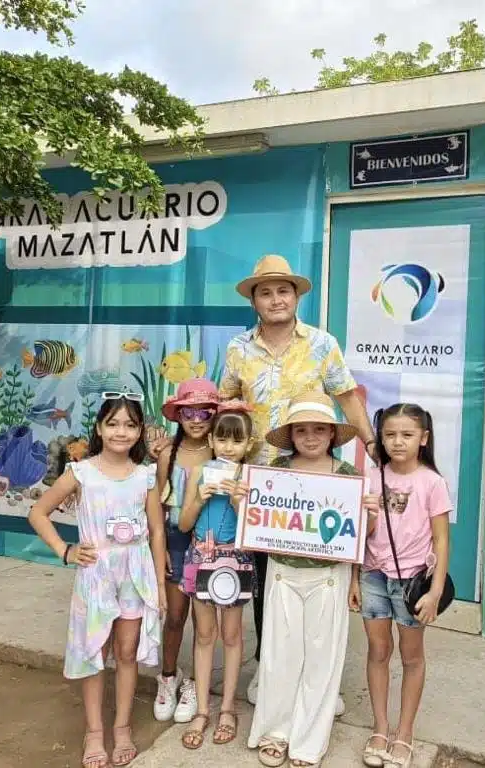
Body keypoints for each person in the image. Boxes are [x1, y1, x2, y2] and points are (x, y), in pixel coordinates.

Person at [219, 254, 378, 712]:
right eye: (265, 292)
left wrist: (374, 448)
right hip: (261, 488)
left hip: (314, 484)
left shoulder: (322, 343)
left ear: (296, 296)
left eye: (282, 290)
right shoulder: (237, 349)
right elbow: (223, 404)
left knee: (321, 584)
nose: (275, 299)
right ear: (254, 300)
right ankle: (269, 672)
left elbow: (347, 398)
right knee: (268, 582)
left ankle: (320, 682)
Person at [28, 391, 166, 768]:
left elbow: (156, 532)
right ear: (100, 429)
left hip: (135, 575)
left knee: (126, 652)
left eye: (130, 424)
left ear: (139, 432)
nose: (122, 431)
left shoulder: (145, 477)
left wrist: (157, 585)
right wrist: (66, 550)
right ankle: (94, 731)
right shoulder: (81, 472)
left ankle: (121, 727)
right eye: (114, 423)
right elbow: (38, 513)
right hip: (96, 575)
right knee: (95, 653)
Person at [247, 391, 381, 767]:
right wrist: (246, 500)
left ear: (331, 435)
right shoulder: (277, 471)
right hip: (283, 573)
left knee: (322, 658)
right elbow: (259, 519)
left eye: (319, 429)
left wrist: (370, 515)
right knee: (279, 654)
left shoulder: (348, 477)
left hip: (329, 576)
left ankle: (308, 741)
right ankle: (276, 730)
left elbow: (359, 535)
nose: (310, 437)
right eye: (302, 430)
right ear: (291, 435)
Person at [351, 403, 451, 768]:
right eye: (390, 434)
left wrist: (435, 591)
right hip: (373, 576)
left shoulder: (432, 482)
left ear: (423, 439)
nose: (397, 442)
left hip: (413, 582)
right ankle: (380, 727)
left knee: (411, 657)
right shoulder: (371, 477)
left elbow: (441, 541)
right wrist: (355, 577)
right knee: (378, 651)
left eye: (407, 435)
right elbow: (361, 534)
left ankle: (404, 732)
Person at [177, 403, 256, 750]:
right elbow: (182, 523)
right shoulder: (200, 472)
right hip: (200, 554)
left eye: (236, 441)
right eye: (222, 438)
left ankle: (227, 708)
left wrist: (241, 503)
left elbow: (258, 531)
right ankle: (203, 709)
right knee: (204, 634)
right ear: (211, 439)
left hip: (236, 559)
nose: (227, 447)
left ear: (249, 444)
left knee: (233, 634)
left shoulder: (252, 477)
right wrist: (198, 498)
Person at [152, 378, 220, 724]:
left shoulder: (220, 451)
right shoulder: (167, 453)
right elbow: (157, 506)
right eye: (188, 412)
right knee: (176, 615)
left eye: (204, 412)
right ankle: (168, 677)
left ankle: (195, 683)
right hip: (176, 543)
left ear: (214, 415)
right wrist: (159, 546)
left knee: (203, 621)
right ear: (178, 415)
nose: (196, 419)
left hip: (210, 542)